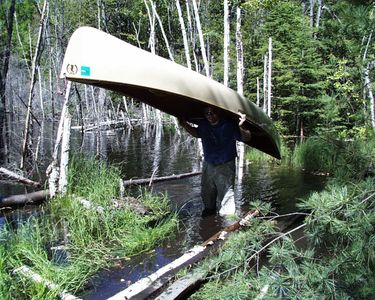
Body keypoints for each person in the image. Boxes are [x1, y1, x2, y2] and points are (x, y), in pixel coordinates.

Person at [179, 107, 251, 216]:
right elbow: (197, 133)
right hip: (209, 163)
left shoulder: (229, 124)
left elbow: (246, 137)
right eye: (207, 113)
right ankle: (209, 213)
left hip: (225, 163)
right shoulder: (204, 124)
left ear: (219, 112)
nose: (210, 115)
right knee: (207, 191)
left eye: (213, 112)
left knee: (226, 192)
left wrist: (241, 125)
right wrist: (184, 124)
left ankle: (228, 221)